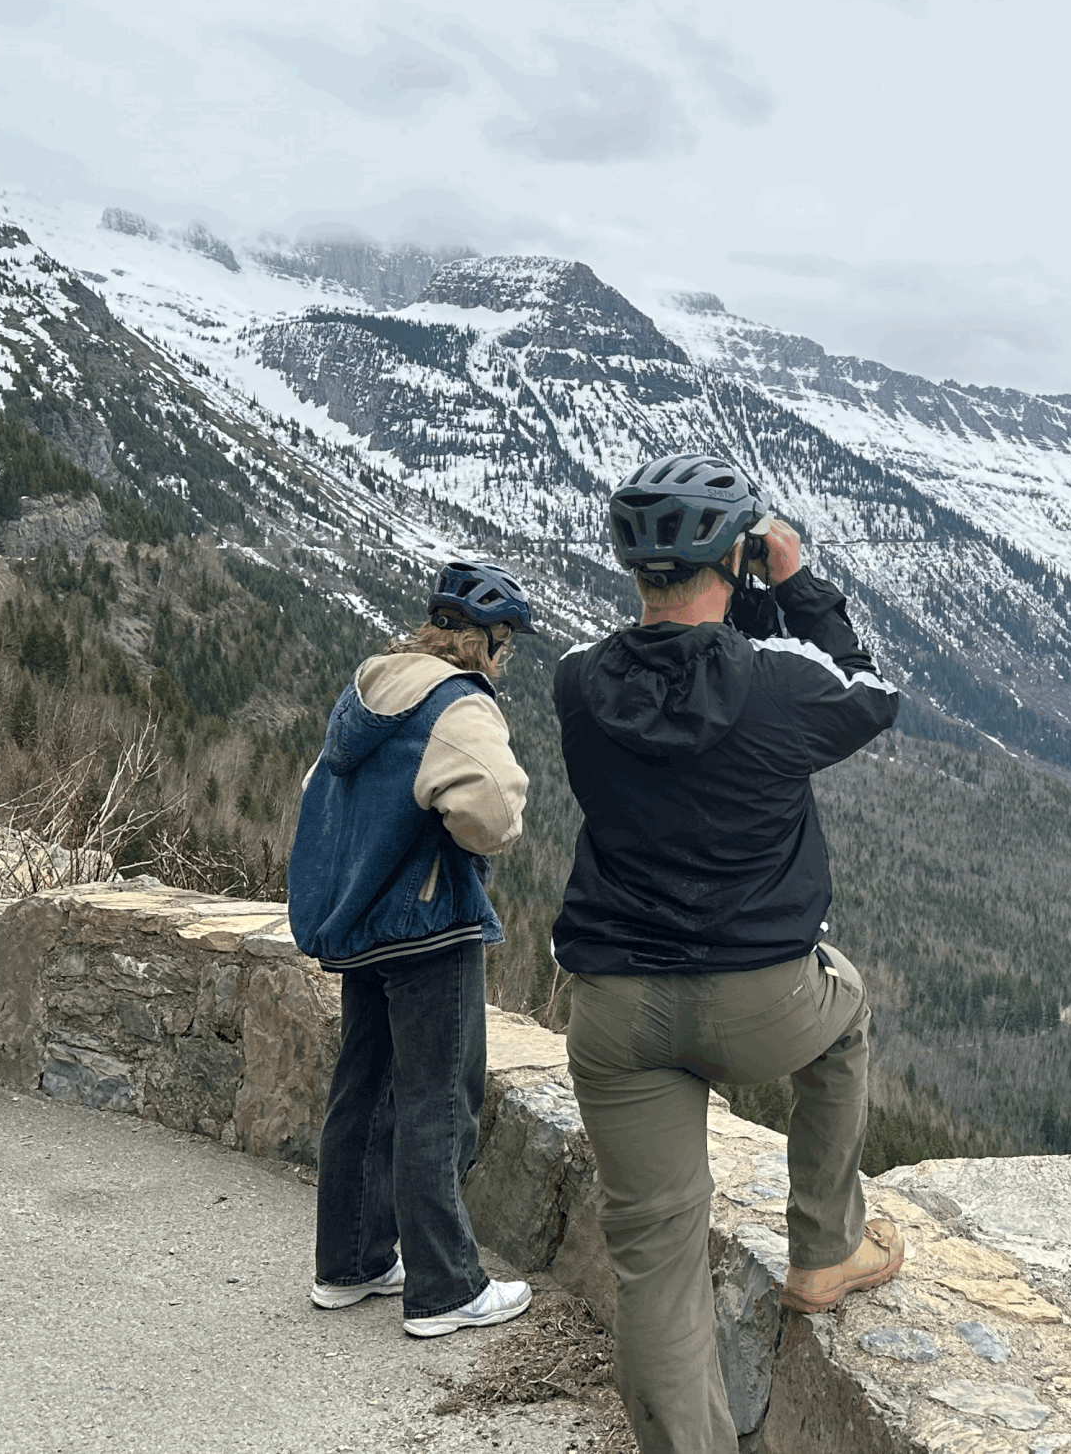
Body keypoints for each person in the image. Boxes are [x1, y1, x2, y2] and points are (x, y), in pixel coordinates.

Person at [554, 453, 905, 1454]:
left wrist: (742, 599)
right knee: (849, 1014)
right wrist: (792, 581)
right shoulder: (780, 684)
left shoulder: (578, 685)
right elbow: (869, 692)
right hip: (763, 1003)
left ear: (635, 569)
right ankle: (825, 1250)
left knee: (655, 1267)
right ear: (734, 560)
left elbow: (682, 680)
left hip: (618, 1009)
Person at [288, 559, 539, 1339]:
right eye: (507, 647)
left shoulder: (370, 687)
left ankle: (352, 1261)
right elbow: (494, 811)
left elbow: (320, 786)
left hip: (363, 919)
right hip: (431, 923)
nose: (506, 661)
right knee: (439, 1099)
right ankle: (445, 1287)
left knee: (363, 1089)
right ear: (489, 643)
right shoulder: (457, 704)